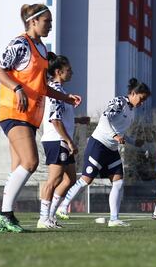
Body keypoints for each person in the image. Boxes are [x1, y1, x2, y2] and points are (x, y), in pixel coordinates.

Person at [0, 4, 81, 233]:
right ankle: (5, 214)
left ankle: (5, 217)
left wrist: (66, 98)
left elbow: (41, 87)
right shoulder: (20, 43)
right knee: (30, 162)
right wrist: (17, 87)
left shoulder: (41, 48)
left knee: (18, 166)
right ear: (33, 22)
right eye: (47, 21)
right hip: (13, 111)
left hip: (31, 115)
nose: (50, 25)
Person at [56, 78, 150, 227]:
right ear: (133, 93)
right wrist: (115, 136)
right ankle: (62, 207)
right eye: (141, 98)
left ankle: (114, 219)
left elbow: (120, 131)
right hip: (98, 144)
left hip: (112, 150)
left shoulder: (131, 111)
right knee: (86, 180)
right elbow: (104, 119)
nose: (142, 103)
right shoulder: (119, 102)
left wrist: (133, 141)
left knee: (118, 182)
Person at [38, 53, 79, 229]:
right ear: (58, 72)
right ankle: (43, 218)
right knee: (54, 179)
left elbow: (63, 117)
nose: (72, 73)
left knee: (70, 179)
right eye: (68, 70)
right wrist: (68, 141)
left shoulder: (61, 92)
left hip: (61, 140)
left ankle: (51, 216)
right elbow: (55, 120)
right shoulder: (54, 90)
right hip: (56, 140)